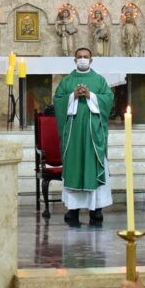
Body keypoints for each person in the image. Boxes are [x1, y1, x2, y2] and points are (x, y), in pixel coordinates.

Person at [53, 48, 114, 226]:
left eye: (85, 57)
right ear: (74, 60)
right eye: (79, 57)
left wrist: (90, 95)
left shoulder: (99, 81)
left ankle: (96, 210)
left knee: (93, 166)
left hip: (93, 134)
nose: (82, 59)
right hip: (73, 135)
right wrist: (72, 95)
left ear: (91, 60)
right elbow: (58, 101)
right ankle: (73, 210)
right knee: (75, 167)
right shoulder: (67, 81)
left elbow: (108, 100)